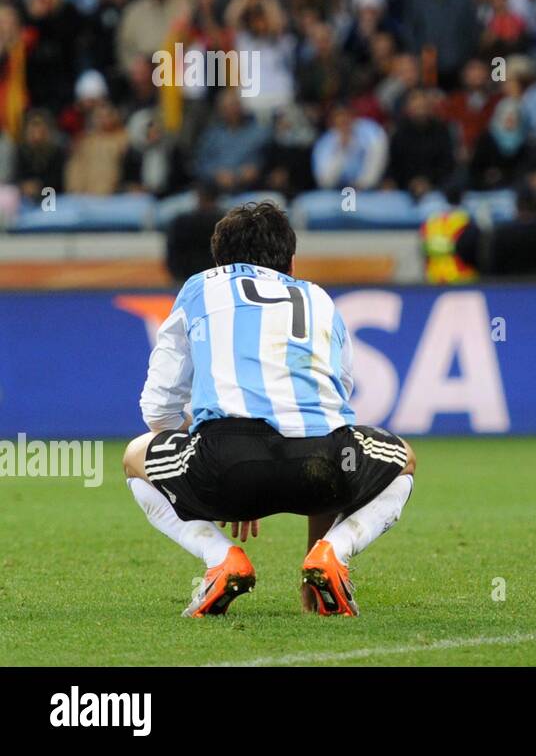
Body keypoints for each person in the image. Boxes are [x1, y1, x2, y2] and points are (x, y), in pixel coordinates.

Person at [121, 202, 417, 617]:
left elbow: (158, 409)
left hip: (226, 465)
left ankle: (220, 558)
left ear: (219, 262)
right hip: (324, 464)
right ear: (291, 262)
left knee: (135, 456)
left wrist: (209, 468)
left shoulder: (200, 287)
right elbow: (334, 403)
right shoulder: (319, 298)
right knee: (401, 460)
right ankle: (331, 555)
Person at [165, 182, 224, 284]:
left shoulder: (181, 221)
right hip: (219, 280)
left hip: (184, 280)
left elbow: (172, 256)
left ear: (198, 197)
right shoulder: (226, 222)